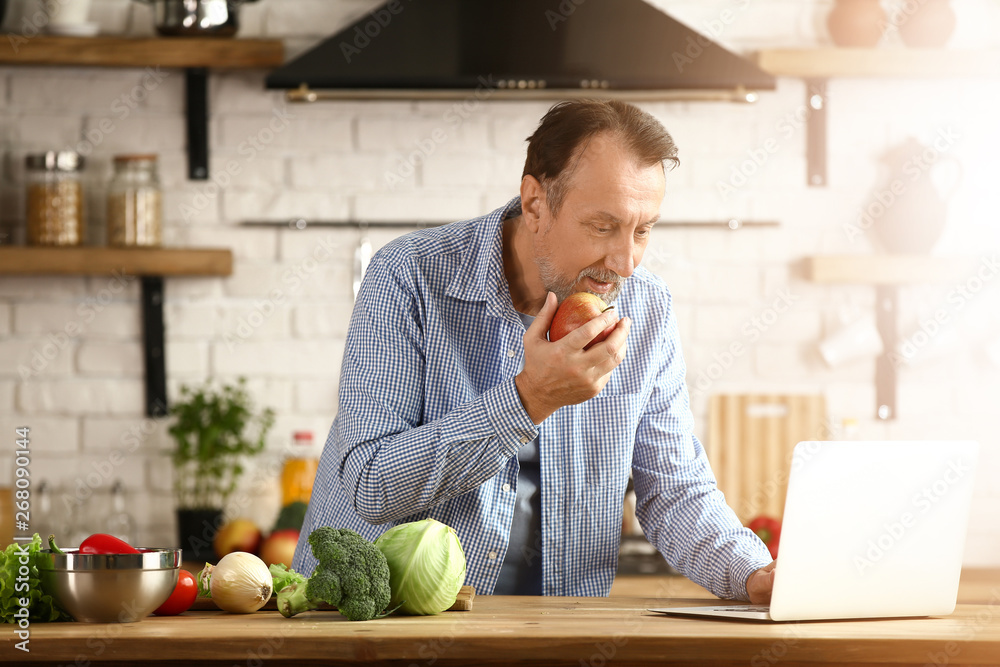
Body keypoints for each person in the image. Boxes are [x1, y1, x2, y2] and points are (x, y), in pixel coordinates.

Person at [293, 99, 776, 603]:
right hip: (382, 625)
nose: (626, 263)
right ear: (535, 204)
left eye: (643, 230)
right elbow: (370, 483)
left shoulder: (645, 307)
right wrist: (530, 399)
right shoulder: (408, 276)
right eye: (603, 226)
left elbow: (675, 491)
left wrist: (754, 573)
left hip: (554, 632)